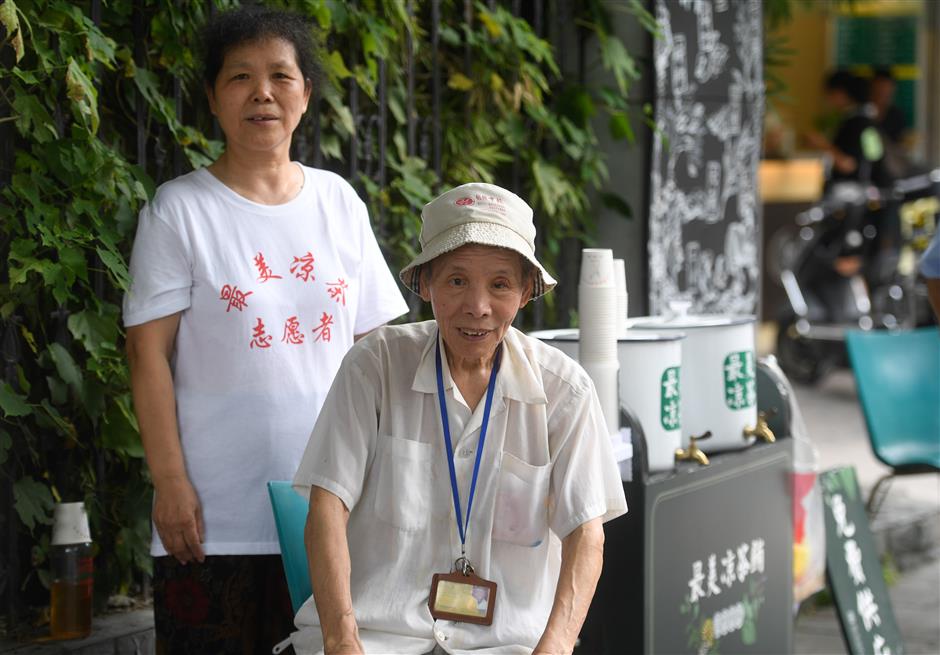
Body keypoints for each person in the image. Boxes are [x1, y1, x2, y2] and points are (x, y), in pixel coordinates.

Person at [122, 6, 408, 652]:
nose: (262, 93)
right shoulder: (180, 211)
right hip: (214, 519)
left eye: (281, 75)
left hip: (333, 512)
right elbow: (147, 354)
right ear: (212, 99)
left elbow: (378, 355)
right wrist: (170, 483)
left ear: (306, 93)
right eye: (240, 77)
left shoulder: (339, 202)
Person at [291, 183, 628, 654]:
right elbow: (327, 505)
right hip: (379, 638)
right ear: (425, 284)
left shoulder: (563, 391)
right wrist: (342, 640)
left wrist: (554, 648)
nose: (478, 306)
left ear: (527, 291)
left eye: (500, 284)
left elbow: (586, 534)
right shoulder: (375, 365)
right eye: (456, 280)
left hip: (506, 645)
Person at [806, 70, 892, 189]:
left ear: (841, 93)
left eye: (830, 94)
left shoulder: (853, 123)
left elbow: (848, 165)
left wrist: (822, 144)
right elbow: (873, 159)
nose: (828, 100)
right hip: (874, 190)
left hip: (854, 194)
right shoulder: (867, 120)